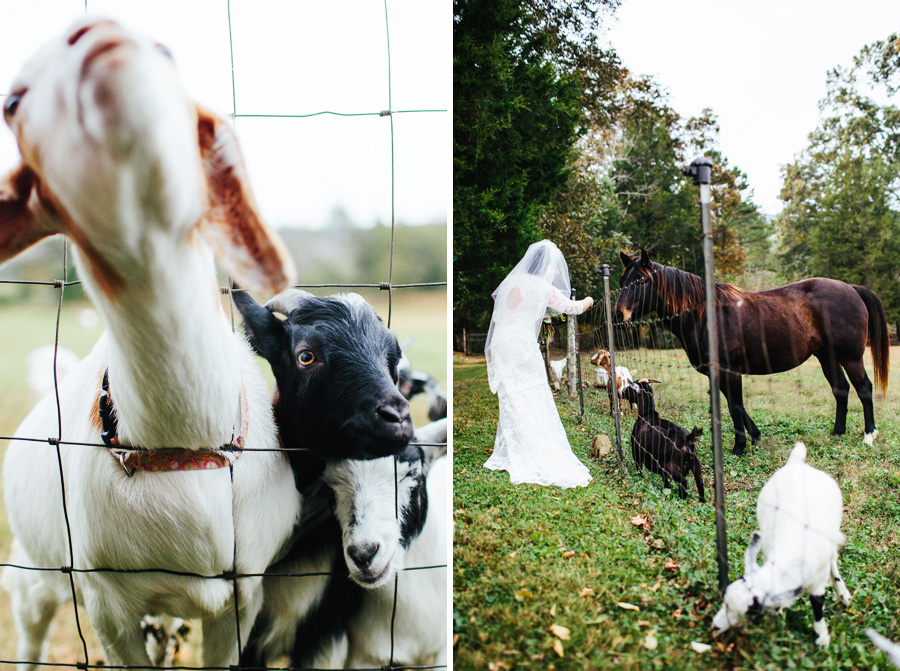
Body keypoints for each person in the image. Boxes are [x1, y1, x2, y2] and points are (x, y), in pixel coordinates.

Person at [483, 240, 595, 488]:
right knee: (532, 391)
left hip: (502, 341)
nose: (556, 272)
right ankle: (532, 446)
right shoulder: (541, 286)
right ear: (544, 265)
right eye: (554, 266)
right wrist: (588, 299)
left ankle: (516, 446)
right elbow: (572, 308)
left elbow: (506, 312)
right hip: (521, 343)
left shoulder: (512, 282)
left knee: (511, 393)